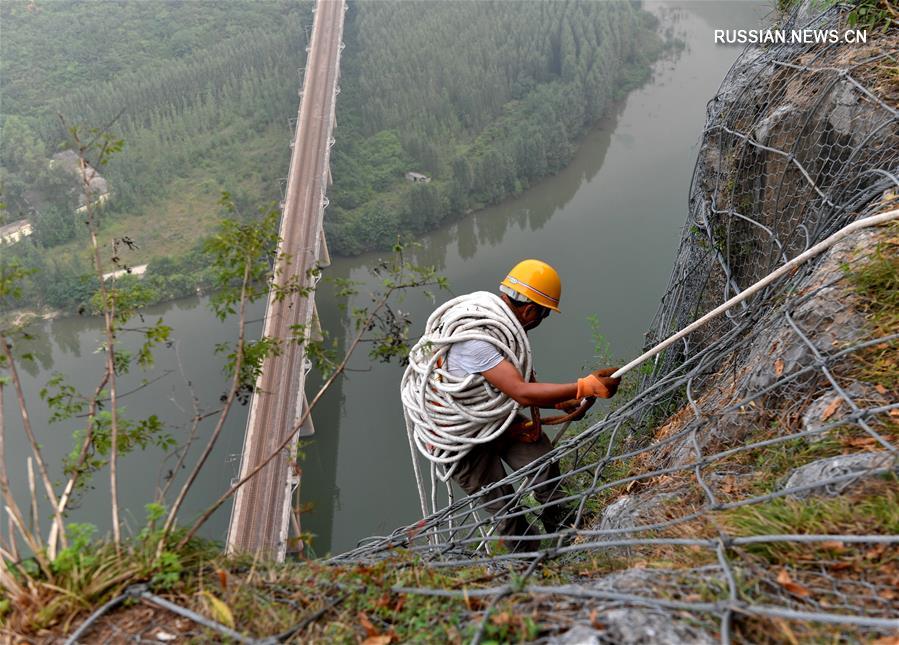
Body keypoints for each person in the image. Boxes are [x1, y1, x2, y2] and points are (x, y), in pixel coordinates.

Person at [439, 259, 621, 550]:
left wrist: (561, 402)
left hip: (491, 416)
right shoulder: (476, 339)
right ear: (529, 310)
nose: (541, 322)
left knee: (542, 462)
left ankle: (567, 534)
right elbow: (521, 392)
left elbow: (512, 384)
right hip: (459, 435)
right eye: (544, 315)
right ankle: (533, 568)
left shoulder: (499, 327)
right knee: (505, 507)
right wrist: (585, 386)